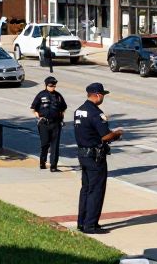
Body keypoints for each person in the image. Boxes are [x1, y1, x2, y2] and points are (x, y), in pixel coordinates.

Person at [73, 82, 122, 234]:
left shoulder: (79, 110)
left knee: (86, 189)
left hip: (83, 154)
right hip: (95, 156)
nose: (103, 98)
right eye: (103, 95)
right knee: (96, 190)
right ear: (98, 95)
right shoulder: (96, 113)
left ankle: (82, 222)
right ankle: (91, 225)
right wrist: (117, 134)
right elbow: (105, 135)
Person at [30, 76, 68, 171]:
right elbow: (33, 108)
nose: (53, 87)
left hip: (56, 123)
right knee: (45, 144)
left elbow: (64, 108)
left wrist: (61, 118)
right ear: (46, 85)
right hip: (44, 124)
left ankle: (53, 166)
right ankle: (42, 162)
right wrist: (38, 116)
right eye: (51, 85)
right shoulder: (41, 95)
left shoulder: (58, 96)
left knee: (55, 146)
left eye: (54, 86)